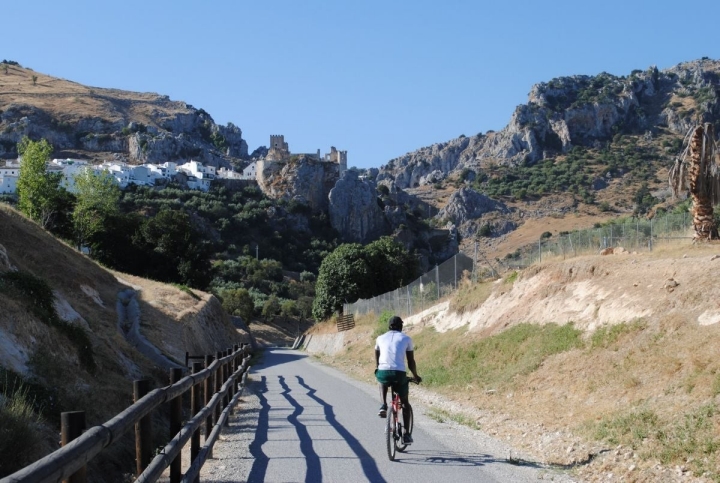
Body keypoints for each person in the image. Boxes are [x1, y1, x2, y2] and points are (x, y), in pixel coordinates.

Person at [374, 315, 421, 444]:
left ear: (388, 326)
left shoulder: (379, 338)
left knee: (381, 378)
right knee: (405, 403)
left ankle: (383, 405)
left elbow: (377, 358)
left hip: (383, 371)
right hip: (399, 373)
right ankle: (406, 435)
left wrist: (379, 369)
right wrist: (416, 376)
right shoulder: (406, 339)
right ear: (401, 326)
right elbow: (411, 362)